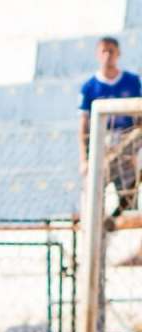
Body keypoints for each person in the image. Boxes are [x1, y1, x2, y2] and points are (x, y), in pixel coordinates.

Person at [79, 36, 142, 214]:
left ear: (118, 54)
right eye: (103, 51)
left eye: (111, 51)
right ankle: (97, 227)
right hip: (103, 145)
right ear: (97, 55)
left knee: (129, 190)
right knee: (95, 189)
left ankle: (121, 219)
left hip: (127, 141)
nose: (107, 55)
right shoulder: (89, 87)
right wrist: (84, 159)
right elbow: (83, 127)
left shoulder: (132, 81)